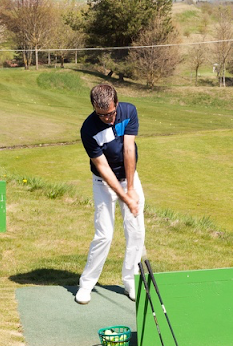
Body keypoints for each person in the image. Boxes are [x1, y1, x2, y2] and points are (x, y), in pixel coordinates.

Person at [75, 83, 145, 305]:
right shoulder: (88, 129)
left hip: (129, 177)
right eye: (102, 115)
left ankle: (130, 281)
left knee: (136, 231)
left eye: (111, 113)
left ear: (116, 103)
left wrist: (131, 189)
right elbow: (103, 169)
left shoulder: (129, 111)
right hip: (103, 182)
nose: (108, 118)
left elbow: (128, 150)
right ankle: (87, 284)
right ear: (95, 108)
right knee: (104, 234)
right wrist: (124, 198)